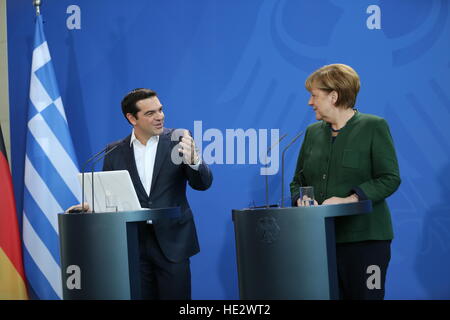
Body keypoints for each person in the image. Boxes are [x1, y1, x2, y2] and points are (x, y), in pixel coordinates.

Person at [290, 64, 400, 300]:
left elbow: (389, 178)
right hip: (320, 242)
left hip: (366, 242)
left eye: (314, 95)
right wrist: (302, 198)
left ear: (334, 96)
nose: (310, 102)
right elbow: (297, 181)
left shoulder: (374, 126)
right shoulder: (311, 132)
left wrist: (350, 199)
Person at [102, 88, 213, 299]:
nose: (159, 116)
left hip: (173, 242)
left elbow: (203, 183)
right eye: (150, 113)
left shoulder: (178, 140)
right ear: (132, 118)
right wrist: (90, 206)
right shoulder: (114, 151)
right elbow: (109, 195)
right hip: (134, 245)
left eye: (160, 110)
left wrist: (194, 161)